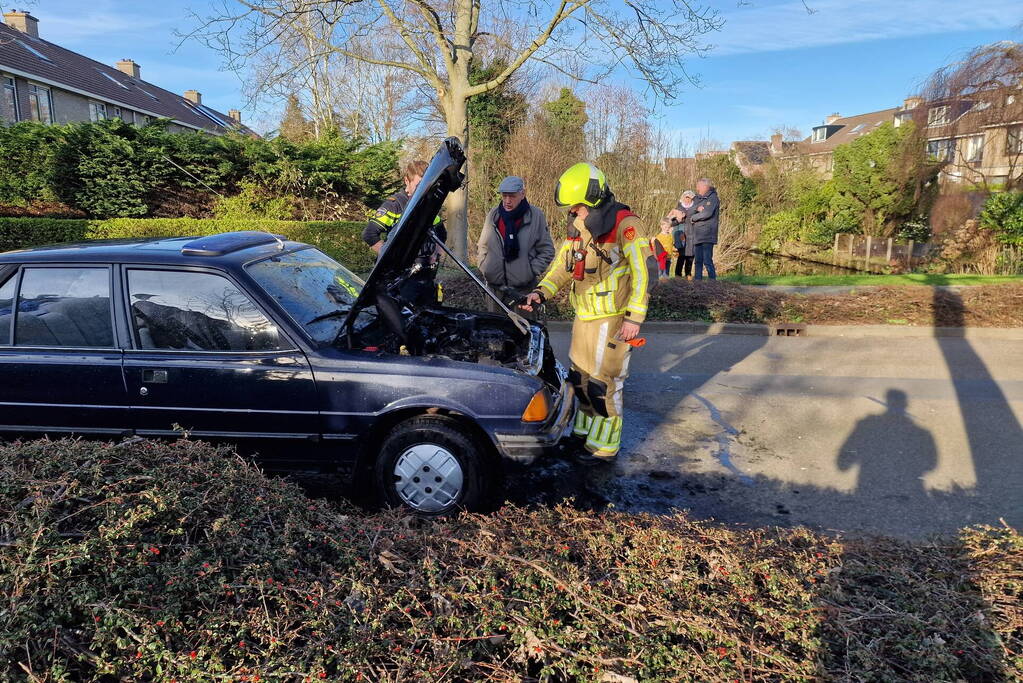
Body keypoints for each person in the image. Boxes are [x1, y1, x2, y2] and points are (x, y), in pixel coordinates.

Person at [521, 163, 653, 462]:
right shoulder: (579, 227)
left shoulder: (625, 225)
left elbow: (644, 273)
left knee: (603, 382)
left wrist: (634, 318)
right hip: (584, 315)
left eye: (577, 207)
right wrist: (541, 292)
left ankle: (605, 446)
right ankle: (583, 435)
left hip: (614, 318)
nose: (574, 212)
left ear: (593, 200)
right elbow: (562, 266)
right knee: (580, 379)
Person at [363, 160, 447, 304]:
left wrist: (435, 255)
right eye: (418, 185)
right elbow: (369, 234)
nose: (424, 189)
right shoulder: (393, 205)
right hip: (401, 281)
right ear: (406, 181)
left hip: (425, 276)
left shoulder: (427, 205)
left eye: (427, 185)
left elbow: (441, 233)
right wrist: (390, 258)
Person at [476, 176, 555, 313]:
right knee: (495, 332)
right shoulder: (493, 215)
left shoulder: (536, 216)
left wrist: (530, 271)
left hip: (524, 293)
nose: (507, 201)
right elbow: (483, 245)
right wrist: (484, 266)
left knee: (523, 332)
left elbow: (547, 250)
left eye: (511, 196)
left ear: (522, 194)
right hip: (495, 291)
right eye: (504, 196)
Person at [690, 178, 719, 280]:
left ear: (705, 186)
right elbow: (690, 209)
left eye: (699, 186)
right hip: (697, 235)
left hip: (708, 234)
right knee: (698, 261)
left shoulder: (713, 198)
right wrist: (696, 209)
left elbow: (707, 213)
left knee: (707, 260)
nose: (697, 188)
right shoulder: (697, 198)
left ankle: (712, 282)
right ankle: (698, 282)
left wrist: (694, 218)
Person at [670, 190, 696, 279]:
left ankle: (688, 275)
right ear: (683, 198)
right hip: (681, 235)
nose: (687, 199)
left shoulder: (696, 208)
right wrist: (679, 219)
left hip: (693, 235)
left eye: (689, 198)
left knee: (691, 255)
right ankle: (678, 275)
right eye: (686, 197)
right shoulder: (678, 209)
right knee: (681, 256)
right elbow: (670, 223)